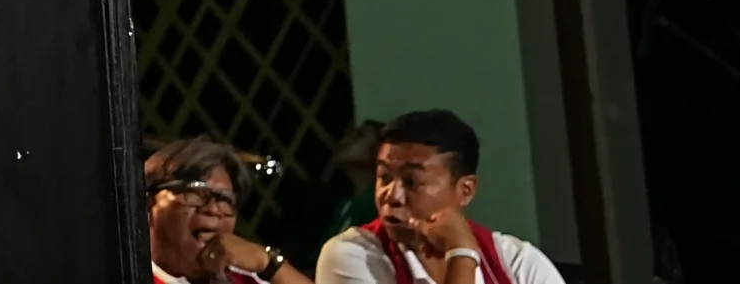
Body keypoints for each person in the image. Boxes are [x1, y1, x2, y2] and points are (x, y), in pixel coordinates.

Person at [312, 110, 567, 284]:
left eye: (411, 182)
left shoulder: (516, 262)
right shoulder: (354, 255)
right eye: (385, 177)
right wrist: (462, 255)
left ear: (465, 191)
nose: (392, 196)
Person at [145, 137, 313, 284]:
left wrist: (268, 263)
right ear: (149, 204)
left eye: (225, 199)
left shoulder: (246, 277)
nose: (214, 209)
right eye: (195, 192)